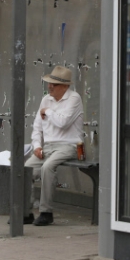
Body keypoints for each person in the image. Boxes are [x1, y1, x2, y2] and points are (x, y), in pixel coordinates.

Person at [25, 66, 84, 226]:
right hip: (48, 146)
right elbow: (37, 125)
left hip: (69, 145)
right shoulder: (46, 99)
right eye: (49, 83)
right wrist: (37, 145)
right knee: (25, 169)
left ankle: (46, 212)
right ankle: (25, 211)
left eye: (54, 84)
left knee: (47, 167)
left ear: (65, 86)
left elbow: (63, 123)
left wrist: (48, 112)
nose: (50, 86)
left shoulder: (74, 98)